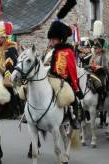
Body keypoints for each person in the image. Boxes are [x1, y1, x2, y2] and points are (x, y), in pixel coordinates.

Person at [47, 0, 82, 129]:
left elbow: (72, 70)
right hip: (51, 77)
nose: (51, 42)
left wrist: (75, 85)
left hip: (65, 79)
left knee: (71, 97)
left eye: (53, 39)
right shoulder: (52, 51)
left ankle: (74, 117)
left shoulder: (67, 52)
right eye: (51, 39)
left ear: (60, 39)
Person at [0, 0, 19, 117]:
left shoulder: (10, 46)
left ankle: (14, 110)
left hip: (9, 73)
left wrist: (6, 75)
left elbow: (11, 63)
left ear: (4, 37)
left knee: (10, 89)